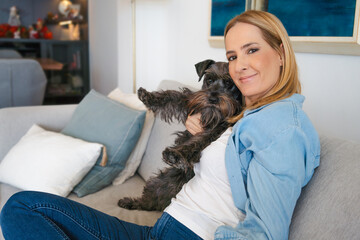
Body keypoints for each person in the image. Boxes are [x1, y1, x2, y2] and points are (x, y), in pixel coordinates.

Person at [0, 10, 320, 240]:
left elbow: (265, 233)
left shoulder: (283, 128)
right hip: (160, 228)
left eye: (252, 50)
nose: (240, 65)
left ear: (280, 53)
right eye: (233, 55)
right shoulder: (245, 115)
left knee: (23, 210)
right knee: (23, 207)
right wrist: (204, 135)